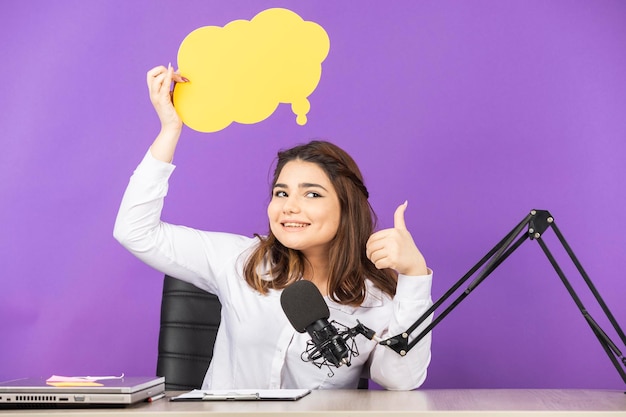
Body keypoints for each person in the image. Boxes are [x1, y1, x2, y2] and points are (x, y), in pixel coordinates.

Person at [114, 64, 433, 390]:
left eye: (312, 193)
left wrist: (414, 276)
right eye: (282, 192)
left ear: (346, 207)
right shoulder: (240, 260)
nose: (289, 205)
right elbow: (134, 231)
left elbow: (400, 380)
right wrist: (170, 129)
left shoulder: (374, 299)